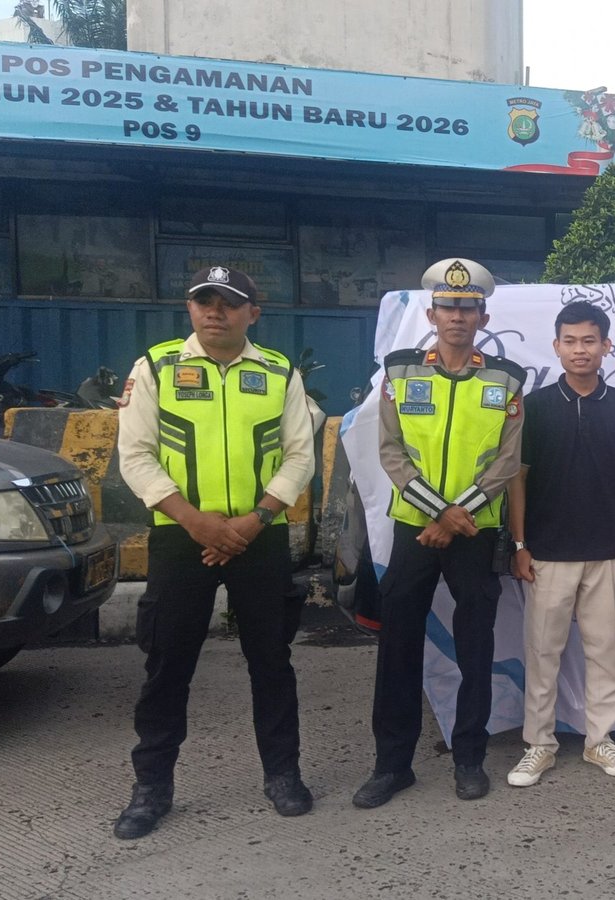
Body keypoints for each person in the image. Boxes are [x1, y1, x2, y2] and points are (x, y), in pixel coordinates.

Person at [113, 265, 316, 839]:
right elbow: (135, 455)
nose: (215, 312)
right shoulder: (155, 367)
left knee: (272, 663)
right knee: (167, 664)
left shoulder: (278, 373)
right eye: (204, 301)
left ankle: (283, 774)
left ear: (253, 312)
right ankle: (152, 787)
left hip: (260, 536)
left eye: (229, 303)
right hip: (182, 537)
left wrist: (255, 520)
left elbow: (300, 456)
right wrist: (196, 522)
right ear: (189, 307)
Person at [351, 258, 526, 808]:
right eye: (448, 307)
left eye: (467, 307)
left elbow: (507, 460)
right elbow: (391, 453)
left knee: (477, 648)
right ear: (431, 313)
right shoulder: (400, 372)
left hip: (475, 531)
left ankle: (469, 757)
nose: (457, 316)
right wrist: (437, 513)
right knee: (398, 646)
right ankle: (391, 764)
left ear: (482, 315)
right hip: (415, 529)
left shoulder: (507, 379)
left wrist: (459, 515)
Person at [504, 301, 615, 787]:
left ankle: (599, 741)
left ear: (606, 346)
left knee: (604, 653)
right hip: (547, 553)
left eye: (589, 340)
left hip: (609, 552)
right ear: (556, 347)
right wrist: (521, 543)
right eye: (570, 341)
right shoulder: (536, 407)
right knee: (543, 653)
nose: (580, 349)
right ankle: (539, 745)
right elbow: (517, 480)